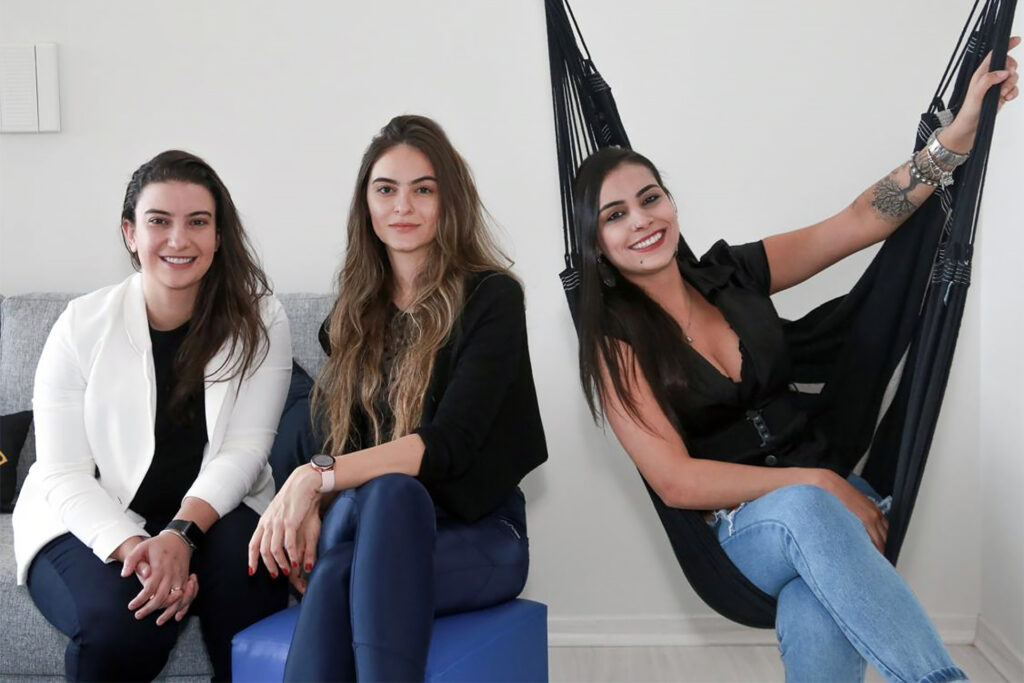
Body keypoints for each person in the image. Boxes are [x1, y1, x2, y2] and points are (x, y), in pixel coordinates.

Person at [570, 42, 1018, 682]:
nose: (642, 221)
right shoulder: (614, 344)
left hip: (833, 503)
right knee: (808, 514)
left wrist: (954, 141)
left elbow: (859, 221)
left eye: (650, 198)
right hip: (741, 534)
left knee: (819, 603)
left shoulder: (734, 273)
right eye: (616, 216)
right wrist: (815, 484)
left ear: (671, 201)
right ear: (596, 244)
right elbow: (675, 480)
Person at [249, 115, 548, 681]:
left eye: (423, 189)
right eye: (385, 189)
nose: (402, 206)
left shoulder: (491, 298)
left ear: (449, 201)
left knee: (386, 501)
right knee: (367, 525)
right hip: (367, 540)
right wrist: (318, 498)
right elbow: (346, 440)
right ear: (366, 204)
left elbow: (451, 445)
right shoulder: (354, 316)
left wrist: (317, 478)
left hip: (480, 539)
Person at [13, 150, 292, 681]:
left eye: (198, 222)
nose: (178, 240)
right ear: (130, 234)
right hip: (90, 515)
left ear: (218, 235)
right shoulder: (80, 324)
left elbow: (246, 449)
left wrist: (180, 535)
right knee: (123, 625)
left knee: (248, 585)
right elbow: (63, 471)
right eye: (158, 222)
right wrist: (138, 547)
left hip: (213, 511)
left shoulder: (260, 318)